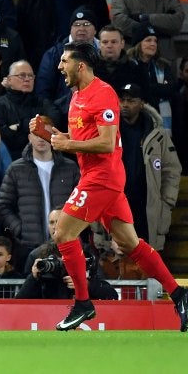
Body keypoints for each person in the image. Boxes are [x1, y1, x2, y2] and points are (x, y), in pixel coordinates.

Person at [29, 41, 188, 332]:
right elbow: (82, 137)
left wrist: (68, 143)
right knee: (130, 243)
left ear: (80, 66)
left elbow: (105, 142)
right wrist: (53, 134)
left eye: (64, 61)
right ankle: (180, 294)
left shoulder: (103, 94)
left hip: (102, 177)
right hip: (98, 176)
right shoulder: (76, 95)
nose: (59, 66)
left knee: (63, 232)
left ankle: (83, 303)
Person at [0, 115, 80, 271]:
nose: (41, 137)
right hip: (28, 245)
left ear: (53, 136)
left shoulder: (70, 168)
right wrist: (20, 229)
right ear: (29, 137)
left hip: (66, 243)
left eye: (45, 133)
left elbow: (83, 203)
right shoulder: (16, 169)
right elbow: (3, 205)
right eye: (36, 133)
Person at [118, 83, 181, 251]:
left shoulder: (157, 134)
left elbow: (172, 169)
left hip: (147, 208)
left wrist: (165, 203)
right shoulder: (109, 131)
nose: (125, 104)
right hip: (118, 207)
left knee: (149, 268)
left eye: (131, 101)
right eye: (122, 100)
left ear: (141, 103)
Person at [15, 208, 118, 300]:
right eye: (51, 222)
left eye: (59, 221)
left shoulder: (88, 254)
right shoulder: (36, 255)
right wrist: (33, 278)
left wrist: (85, 284)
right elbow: (20, 300)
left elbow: (111, 295)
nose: (55, 226)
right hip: (47, 316)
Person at [0, 60, 62, 161]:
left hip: (43, 158)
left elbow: (53, 126)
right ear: (9, 79)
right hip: (10, 160)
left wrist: (20, 126)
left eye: (30, 76)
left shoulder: (43, 103)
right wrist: (35, 128)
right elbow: (1, 136)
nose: (27, 79)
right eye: (22, 75)